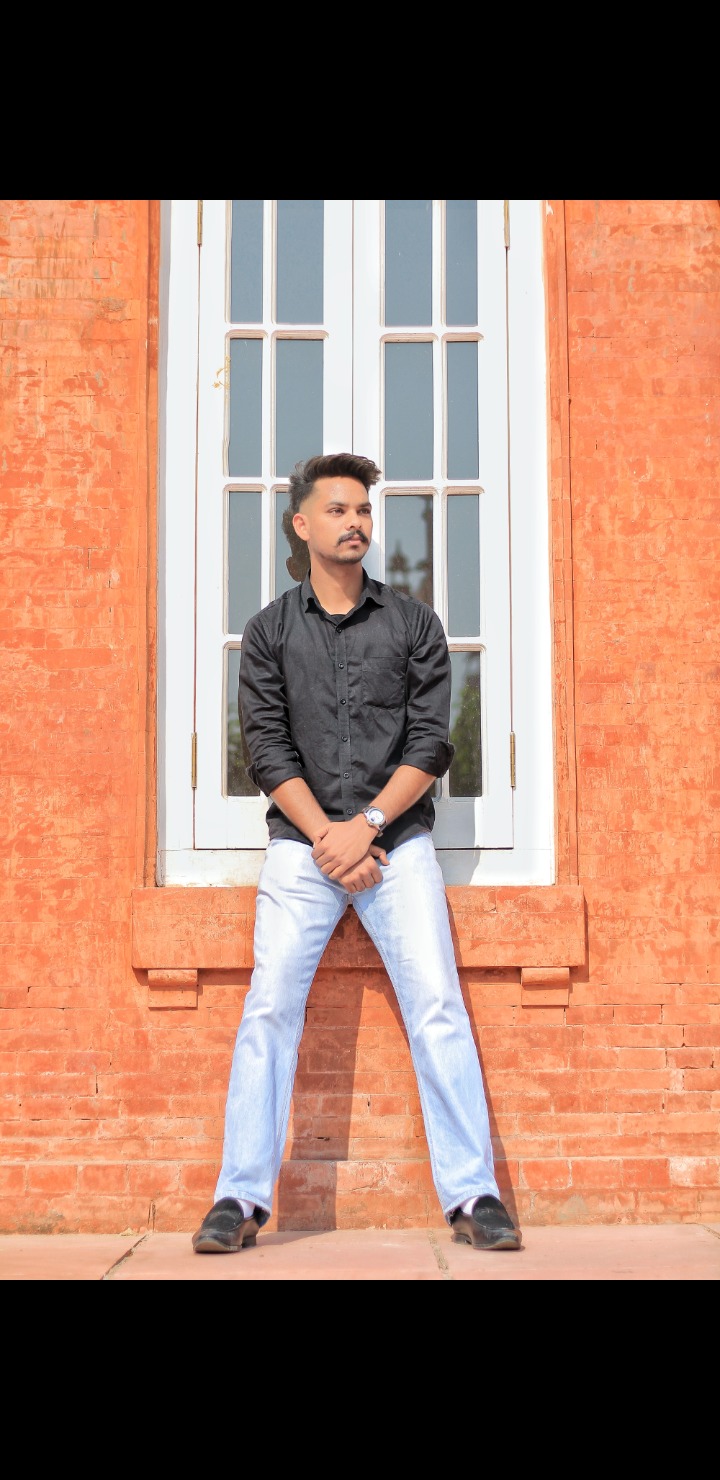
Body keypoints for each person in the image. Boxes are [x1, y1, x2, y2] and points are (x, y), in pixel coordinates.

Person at [192, 452, 521, 1255]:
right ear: (301, 524)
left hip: (396, 843)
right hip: (302, 848)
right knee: (269, 1006)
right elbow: (266, 749)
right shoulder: (269, 631)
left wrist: (366, 824)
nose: (356, 523)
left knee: (437, 1005)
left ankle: (474, 1194)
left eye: (364, 510)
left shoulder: (414, 626)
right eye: (338, 510)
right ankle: (238, 1198)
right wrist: (328, 837)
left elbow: (430, 743)